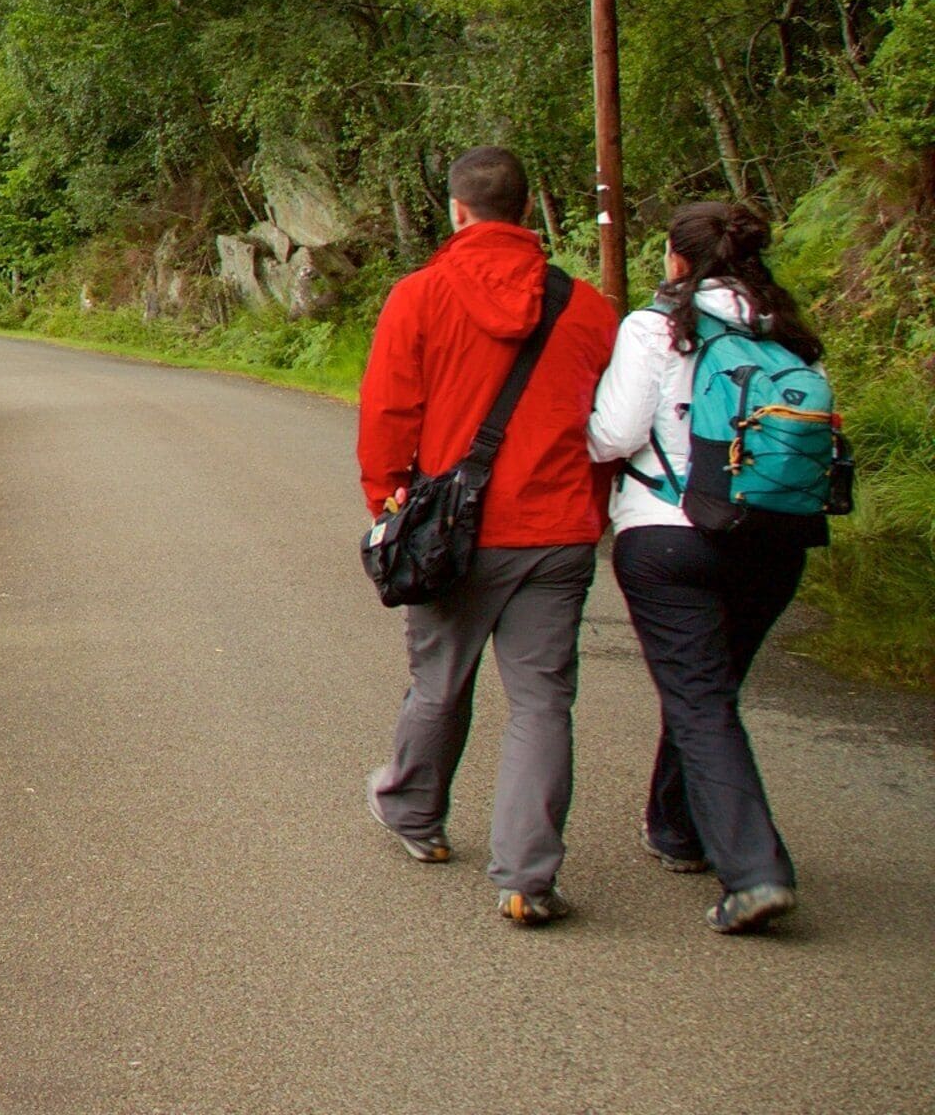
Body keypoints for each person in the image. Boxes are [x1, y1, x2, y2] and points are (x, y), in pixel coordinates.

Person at [356, 145, 620, 925]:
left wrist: (386, 500)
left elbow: (388, 411)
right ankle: (525, 878)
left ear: (457, 210)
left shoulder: (421, 295)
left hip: (459, 535)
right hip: (559, 529)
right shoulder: (588, 307)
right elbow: (606, 424)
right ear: (527, 211)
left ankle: (414, 814)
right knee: (542, 701)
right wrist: (589, 508)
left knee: (441, 679)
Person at [587, 199, 830, 935]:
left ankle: (755, 871)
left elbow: (615, 433)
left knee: (699, 697)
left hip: (670, 536)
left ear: (681, 260)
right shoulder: (792, 335)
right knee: (708, 690)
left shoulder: (657, 327)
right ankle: (676, 827)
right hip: (776, 538)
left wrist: (591, 435)